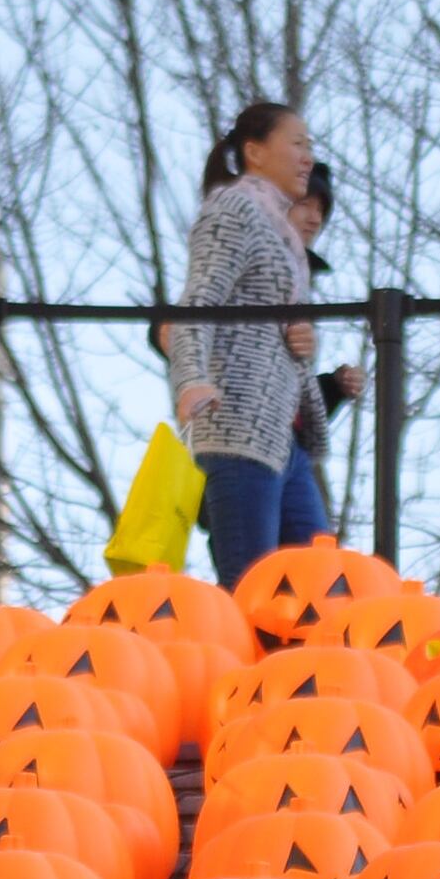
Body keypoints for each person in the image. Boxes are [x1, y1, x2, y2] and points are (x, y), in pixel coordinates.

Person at [168, 102, 320, 583]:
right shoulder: (233, 209)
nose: (308, 157)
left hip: (283, 437)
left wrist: (300, 341)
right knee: (255, 590)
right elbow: (199, 302)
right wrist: (191, 379)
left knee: (321, 581)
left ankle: (312, 664)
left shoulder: (282, 231)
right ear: (254, 151)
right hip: (237, 427)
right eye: (296, 143)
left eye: (309, 146)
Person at [281, 163, 366, 547]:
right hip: (243, 443)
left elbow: (284, 386)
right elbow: (195, 311)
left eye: (322, 211)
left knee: (315, 560)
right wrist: (165, 330)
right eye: (305, 205)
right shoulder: (243, 251)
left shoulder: (300, 289)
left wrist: (331, 388)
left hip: (292, 447)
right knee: (253, 569)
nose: (315, 219)